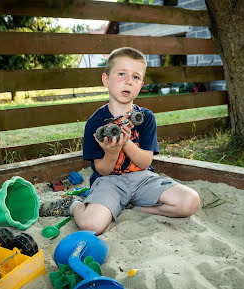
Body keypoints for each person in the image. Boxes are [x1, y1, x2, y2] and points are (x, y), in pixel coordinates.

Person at [70, 47, 200, 235]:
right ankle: (75, 205)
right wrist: (112, 152)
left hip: (142, 179)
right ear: (106, 79)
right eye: (122, 74)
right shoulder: (95, 123)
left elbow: (146, 162)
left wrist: (126, 142)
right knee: (92, 225)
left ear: (141, 85)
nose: (129, 81)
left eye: (136, 77)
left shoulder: (145, 117)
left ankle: (138, 208)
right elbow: (102, 170)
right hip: (109, 182)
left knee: (190, 201)